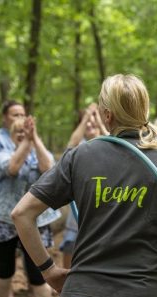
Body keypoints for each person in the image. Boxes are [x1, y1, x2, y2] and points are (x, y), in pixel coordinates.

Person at [11, 74, 157, 297]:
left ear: (107, 115)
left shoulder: (79, 156)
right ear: (144, 110)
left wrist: (49, 270)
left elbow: (21, 214)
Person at [0, 115, 61, 297]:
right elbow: (12, 168)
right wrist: (26, 142)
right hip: (4, 221)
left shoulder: (41, 152)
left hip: (36, 223)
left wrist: (34, 139)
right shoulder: (3, 154)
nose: (22, 135)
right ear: (11, 136)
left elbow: (49, 168)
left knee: (38, 275)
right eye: (18, 132)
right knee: (4, 272)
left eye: (25, 131)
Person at [60, 103, 107, 269]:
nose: (89, 124)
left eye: (93, 121)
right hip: (79, 204)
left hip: (105, 203)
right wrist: (86, 117)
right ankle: (65, 280)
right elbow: (70, 146)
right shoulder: (80, 144)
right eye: (86, 122)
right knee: (71, 243)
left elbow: (118, 144)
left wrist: (99, 123)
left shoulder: (109, 142)